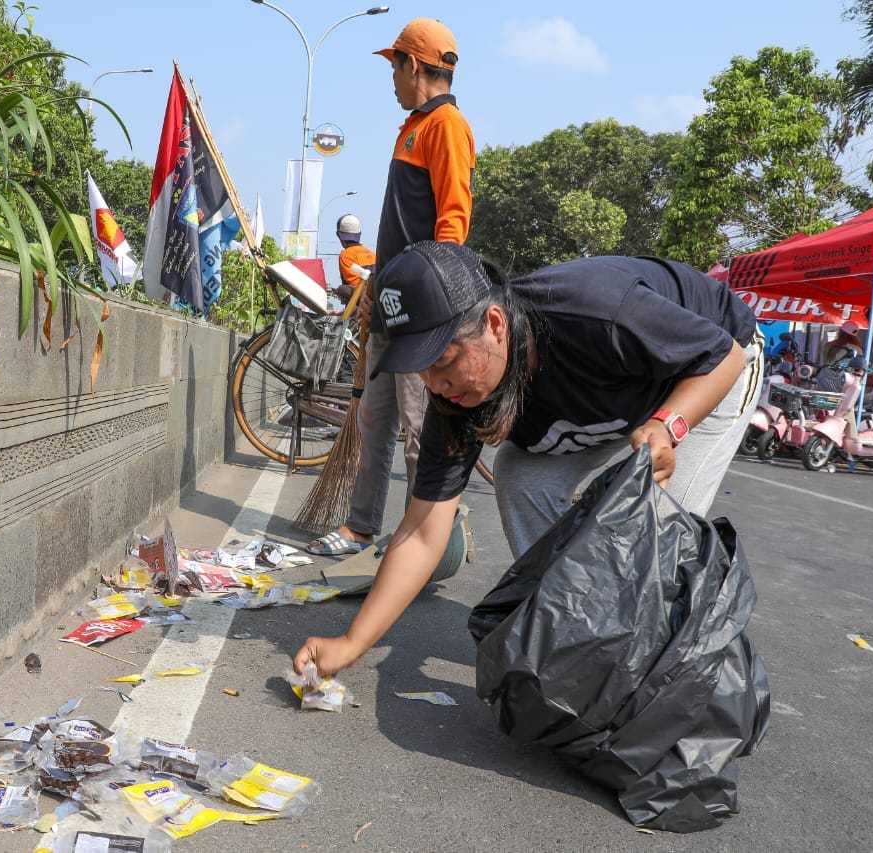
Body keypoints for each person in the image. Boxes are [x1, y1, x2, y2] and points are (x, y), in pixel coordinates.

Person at [294, 242, 763, 676]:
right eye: (420, 368)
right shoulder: (452, 400)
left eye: (443, 362)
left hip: (707, 372)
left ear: (495, 325)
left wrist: (669, 425)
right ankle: (579, 628)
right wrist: (352, 642)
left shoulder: (596, 314)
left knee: (654, 538)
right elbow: (421, 532)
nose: (434, 384)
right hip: (617, 397)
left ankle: (645, 666)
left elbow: (722, 358)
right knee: (521, 477)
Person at [308, 17, 476, 556]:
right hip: (390, 301)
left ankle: (425, 540)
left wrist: (441, 305)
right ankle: (361, 526)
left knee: (417, 427)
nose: (392, 79)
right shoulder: (412, 127)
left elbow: (453, 220)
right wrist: (377, 289)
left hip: (422, 314)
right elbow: (400, 227)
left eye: (394, 66)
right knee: (374, 418)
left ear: (414, 65)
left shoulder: (446, 127)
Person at [334, 214, 375, 306]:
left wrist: (340, 290)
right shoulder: (372, 254)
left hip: (361, 305)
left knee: (342, 289)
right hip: (375, 299)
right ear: (359, 234)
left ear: (339, 236)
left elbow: (356, 289)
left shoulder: (345, 255)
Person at [815, 321, 864, 392]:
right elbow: (859, 368)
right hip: (845, 381)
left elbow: (824, 361)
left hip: (825, 377)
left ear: (841, 331)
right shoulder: (858, 349)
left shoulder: (828, 345)